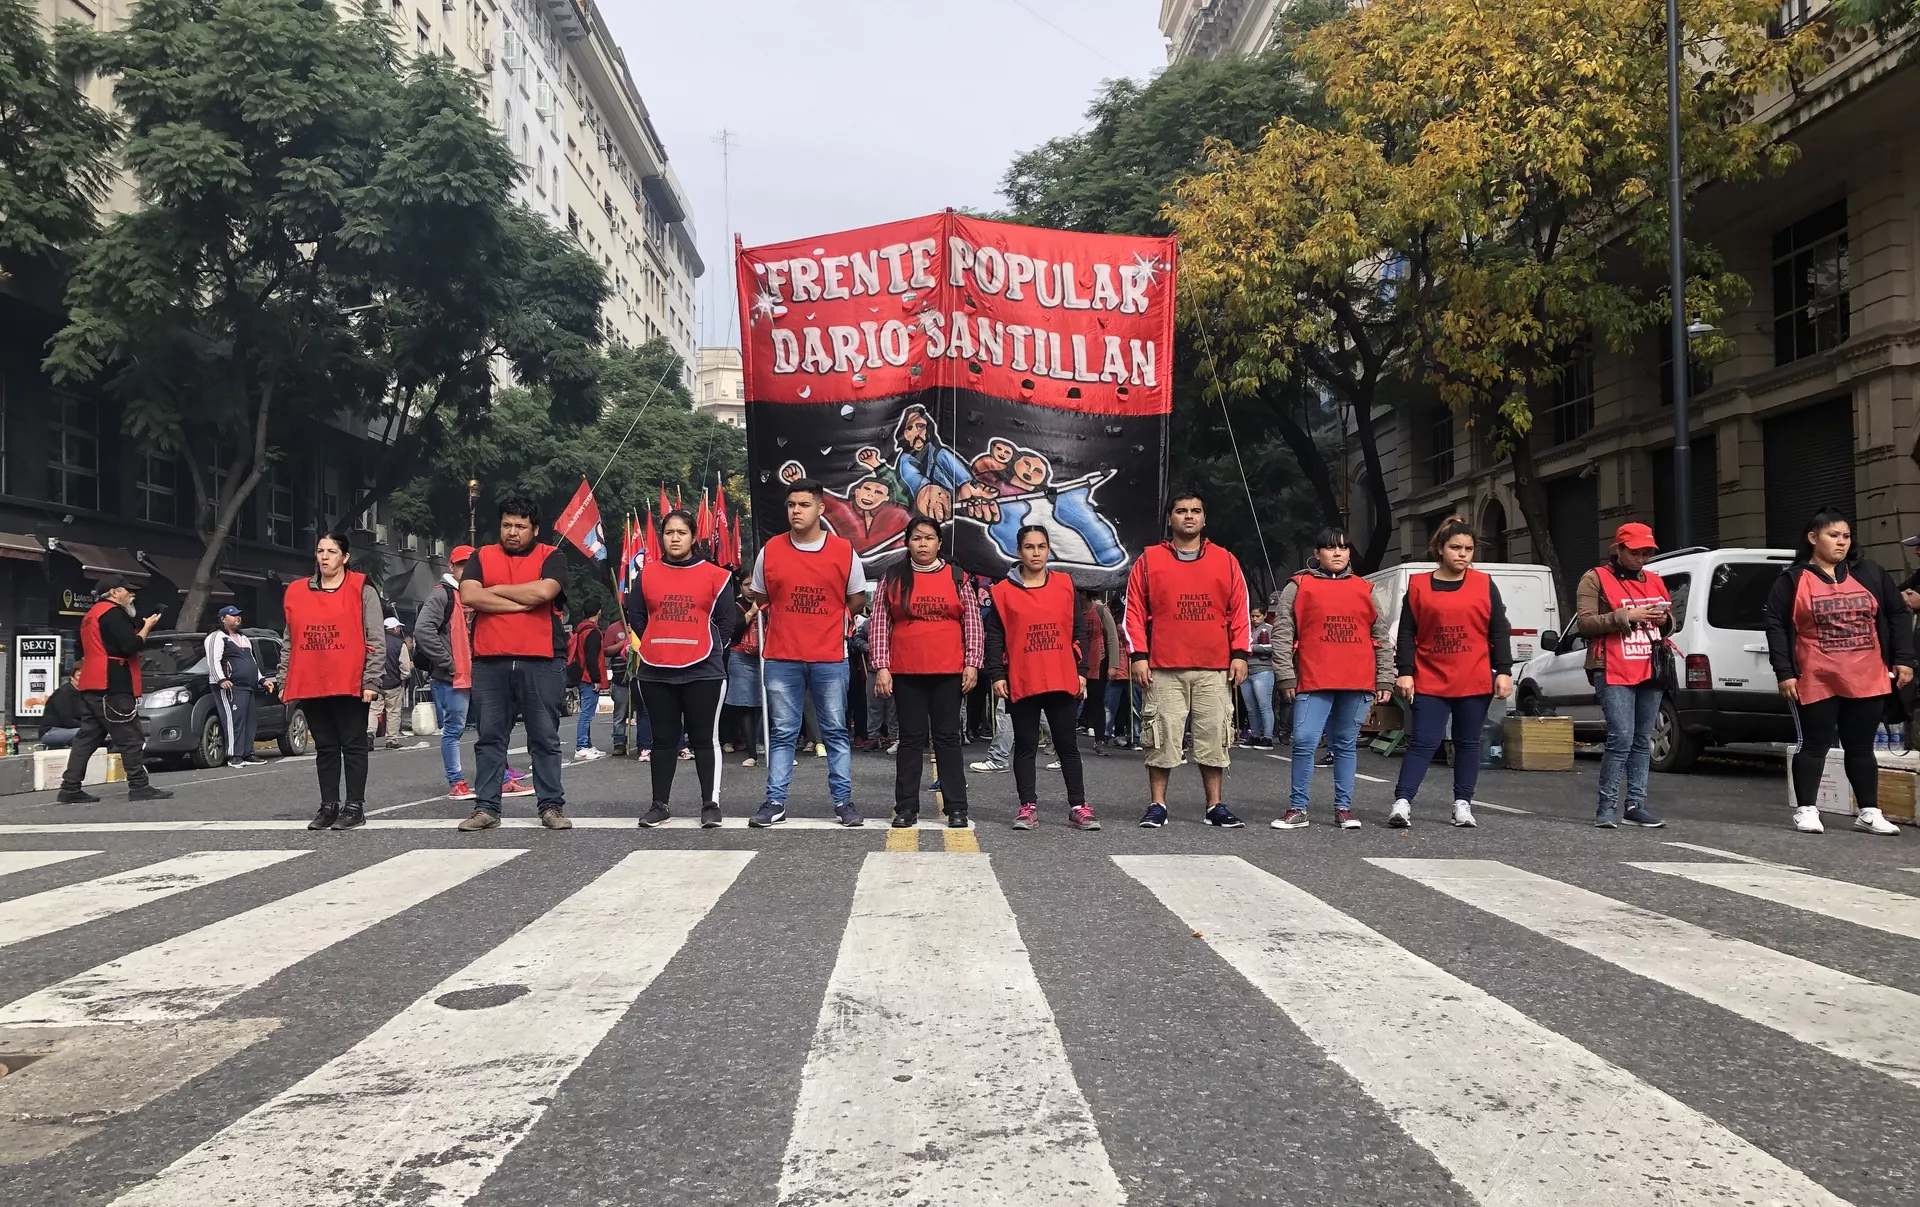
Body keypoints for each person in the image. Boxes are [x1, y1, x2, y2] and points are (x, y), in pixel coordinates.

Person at [1765, 507, 1916, 836]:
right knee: (1814, 744)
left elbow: (1897, 614)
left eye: (1846, 536)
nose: (1841, 542)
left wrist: (1904, 659)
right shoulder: (1792, 580)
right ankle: (1807, 809)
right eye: (1833, 535)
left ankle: (1869, 812)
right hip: (1815, 675)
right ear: (1813, 538)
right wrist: (1785, 672)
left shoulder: (1870, 573)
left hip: (1868, 675)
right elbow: (1775, 626)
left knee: (1861, 747)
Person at [1123, 491, 1251, 829]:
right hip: (1163, 667)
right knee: (1161, 736)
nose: (1189, 516)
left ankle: (1215, 806)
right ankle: (1158, 805)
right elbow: (1134, 611)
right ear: (1170, 518)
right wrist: (1138, 655)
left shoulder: (1226, 560)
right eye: (1181, 511)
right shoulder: (1148, 560)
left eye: (1196, 510)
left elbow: (1240, 610)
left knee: (1214, 736)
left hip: (1214, 667)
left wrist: (1240, 654)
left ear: (1205, 519)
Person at [750, 477, 869, 827]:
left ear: (820, 508)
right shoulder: (770, 550)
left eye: (804, 505)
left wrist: (834, 619)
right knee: (783, 732)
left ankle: (843, 801)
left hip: (829, 656)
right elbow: (761, 597)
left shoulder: (843, 551)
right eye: (791, 505)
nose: (796, 511)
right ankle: (775, 801)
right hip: (782, 655)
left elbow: (857, 598)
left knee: (835, 731)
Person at [1389, 516, 1513, 829]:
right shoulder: (1418, 586)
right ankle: (1402, 802)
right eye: (1456, 547)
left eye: (1468, 549)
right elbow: (1407, 632)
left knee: (1468, 742)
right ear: (1440, 549)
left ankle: (1462, 804)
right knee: (1423, 741)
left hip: (1473, 676)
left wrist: (1504, 670)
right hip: (1429, 676)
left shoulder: (1484, 584)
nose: (1463, 554)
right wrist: (1405, 671)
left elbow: (1499, 629)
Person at [458, 495, 571, 831]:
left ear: (534, 529)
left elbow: (544, 593)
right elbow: (469, 595)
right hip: (490, 659)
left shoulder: (552, 556)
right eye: (507, 524)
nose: (512, 531)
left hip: (542, 659)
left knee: (544, 737)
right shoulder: (481, 555)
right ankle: (486, 808)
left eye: (520, 526)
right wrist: (519, 602)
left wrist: (494, 590)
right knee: (490, 738)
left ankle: (551, 806)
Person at [1271, 528, 1395, 830]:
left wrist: (1385, 679)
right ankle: (1298, 807)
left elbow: (1380, 636)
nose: (1337, 553)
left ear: (1349, 552)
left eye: (1343, 547)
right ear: (1317, 554)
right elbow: (1282, 632)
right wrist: (1285, 676)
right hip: (1313, 679)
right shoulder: (1298, 586)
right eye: (1329, 547)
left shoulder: (1365, 588)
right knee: (1304, 741)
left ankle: (1344, 808)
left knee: (1345, 744)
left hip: (1357, 680)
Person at [627, 509, 740, 828]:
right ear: (661, 537)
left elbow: (726, 622)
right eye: (668, 532)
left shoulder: (716, 575)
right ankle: (659, 805)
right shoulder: (646, 574)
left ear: (693, 537)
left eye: (681, 532)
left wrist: (706, 647)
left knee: (705, 739)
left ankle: (711, 805)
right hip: (655, 670)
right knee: (663, 740)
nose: (674, 538)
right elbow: (637, 616)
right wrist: (658, 642)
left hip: (704, 671)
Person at [869, 514, 982, 829]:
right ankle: (906, 807)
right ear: (907, 542)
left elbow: (972, 621)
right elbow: (880, 623)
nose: (923, 544)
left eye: (929, 538)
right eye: (917, 538)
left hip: (948, 671)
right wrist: (882, 666)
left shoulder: (957, 576)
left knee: (947, 738)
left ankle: (956, 808)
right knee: (910, 740)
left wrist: (972, 662)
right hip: (907, 672)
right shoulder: (892, 576)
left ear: (939, 543)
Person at [986, 526, 1095, 829]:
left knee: (1067, 745)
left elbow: (1078, 630)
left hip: (1061, 676)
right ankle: (1027, 807)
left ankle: (1078, 806)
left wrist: (1082, 671)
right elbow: (994, 637)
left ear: (1049, 550)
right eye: (1029, 547)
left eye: (1041, 546)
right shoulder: (1002, 592)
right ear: (1018, 551)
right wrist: (996, 674)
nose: (1036, 553)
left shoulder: (1065, 584)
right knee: (1025, 746)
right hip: (1023, 678)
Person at [1576, 522, 1676, 829]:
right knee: (1621, 737)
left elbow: (1670, 624)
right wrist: (1626, 616)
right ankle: (1606, 807)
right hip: (1612, 665)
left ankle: (1636, 805)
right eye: (1634, 553)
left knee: (1643, 739)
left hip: (1650, 665)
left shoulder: (1655, 580)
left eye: (1646, 553)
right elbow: (1585, 623)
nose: (1641, 559)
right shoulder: (1595, 578)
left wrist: (1664, 619)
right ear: (1618, 549)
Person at [282, 533, 383, 829]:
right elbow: (290, 640)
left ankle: (354, 807)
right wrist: (283, 677)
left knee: (353, 745)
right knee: (325, 747)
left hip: (350, 682)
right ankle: (328, 806)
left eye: (332, 551)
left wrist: (371, 681)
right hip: (312, 680)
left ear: (345, 557)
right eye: (320, 551)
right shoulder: (298, 591)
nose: (324, 557)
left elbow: (375, 639)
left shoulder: (362, 589)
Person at [56, 578, 170, 805]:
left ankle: (70, 787)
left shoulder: (91, 615)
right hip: (112, 682)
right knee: (130, 736)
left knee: (87, 737)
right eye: (128, 591)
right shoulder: (114, 613)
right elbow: (129, 647)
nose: (131, 595)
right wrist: (147, 628)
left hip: (92, 680)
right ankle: (139, 786)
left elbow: (89, 646)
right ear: (114, 592)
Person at [414, 544, 476, 800]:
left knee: (492, 729)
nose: (466, 570)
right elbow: (422, 630)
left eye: (471, 565)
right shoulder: (442, 595)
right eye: (462, 565)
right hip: (452, 677)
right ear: (451, 566)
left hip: (480, 674)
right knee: (454, 729)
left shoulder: (478, 593)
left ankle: (501, 777)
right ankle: (456, 781)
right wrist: (449, 663)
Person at [203, 605, 272, 766]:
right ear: (223, 619)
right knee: (234, 719)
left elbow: (251, 662)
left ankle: (248, 753)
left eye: (238, 615)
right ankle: (235, 755)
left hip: (248, 686)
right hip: (230, 686)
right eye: (233, 615)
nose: (237, 618)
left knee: (249, 720)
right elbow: (213, 661)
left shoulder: (243, 638)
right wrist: (221, 680)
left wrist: (261, 680)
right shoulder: (217, 637)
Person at [565, 600, 609, 762]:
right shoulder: (593, 632)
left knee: (586, 712)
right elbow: (592, 658)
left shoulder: (581, 629)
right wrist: (597, 679)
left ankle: (587, 744)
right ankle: (581, 746)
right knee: (587, 714)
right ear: (599, 612)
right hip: (589, 677)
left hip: (581, 674)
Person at [365, 617, 409, 748]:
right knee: (393, 712)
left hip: (376, 683)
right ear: (395, 628)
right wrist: (404, 677)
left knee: (373, 710)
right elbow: (405, 666)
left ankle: (369, 734)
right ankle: (391, 740)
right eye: (398, 627)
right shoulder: (400, 644)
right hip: (394, 684)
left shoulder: (375, 642)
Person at [1241, 607, 1278, 749]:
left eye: (1258, 616)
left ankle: (1267, 737)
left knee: (1264, 706)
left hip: (1263, 670)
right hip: (1247, 670)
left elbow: (1275, 647)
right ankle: (1255, 735)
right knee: (1251, 707)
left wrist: (1253, 647)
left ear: (1265, 615)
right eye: (1253, 616)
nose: (1255, 619)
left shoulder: (1270, 629)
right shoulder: (1247, 629)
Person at [604, 614, 634, 757]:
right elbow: (606, 651)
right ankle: (619, 742)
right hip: (620, 680)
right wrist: (625, 641)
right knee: (620, 714)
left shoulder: (641, 624)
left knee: (643, 713)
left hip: (638, 678)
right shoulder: (613, 628)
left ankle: (645, 743)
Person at [40, 667, 86, 749]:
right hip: (51, 731)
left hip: (72, 729)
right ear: (72, 677)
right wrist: (90, 727)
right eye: (79, 675)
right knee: (88, 733)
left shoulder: (85, 693)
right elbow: (68, 721)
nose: (83, 678)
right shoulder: (63, 693)